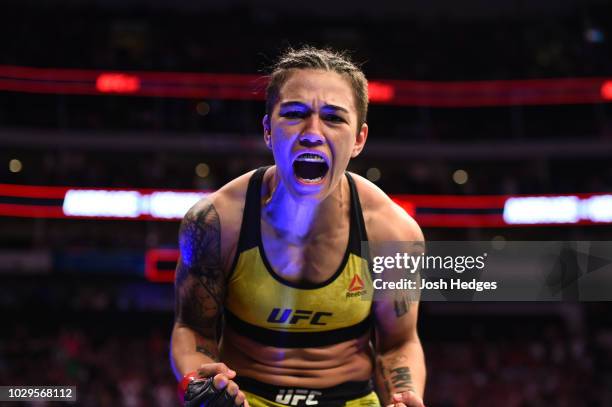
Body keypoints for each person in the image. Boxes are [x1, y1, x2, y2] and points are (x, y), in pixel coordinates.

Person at [170, 46, 426, 407]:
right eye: (294, 114)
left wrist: (405, 396)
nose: (312, 133)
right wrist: (200, 383)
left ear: (358, 140)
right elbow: (192, 329)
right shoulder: (216, 222)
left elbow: (400, 342)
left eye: (334, 118)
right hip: (245, 398)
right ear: (268, 131)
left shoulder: (393, 233)